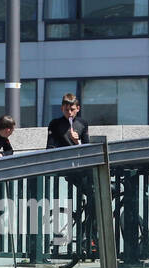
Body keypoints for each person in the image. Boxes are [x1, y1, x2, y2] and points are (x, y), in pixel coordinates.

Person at [46, 94, 95, 258]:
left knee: (96, 200)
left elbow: (87, 148)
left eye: (72, 109)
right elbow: (50, 148)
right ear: (62, 109)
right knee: (70, 204)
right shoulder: (55, 123)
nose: (69, 113)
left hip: (82, 168)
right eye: (66, 109)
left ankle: (90, 237)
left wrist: (77, 142)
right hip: (67, 170)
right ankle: (63, 245)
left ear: (78, 109)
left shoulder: (82, 123)